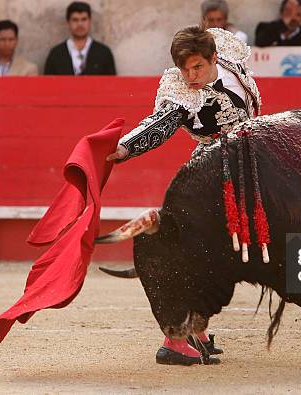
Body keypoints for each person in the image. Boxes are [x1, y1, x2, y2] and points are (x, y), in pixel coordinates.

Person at [106, 25, 261, 365]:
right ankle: (174, 341)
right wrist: (125, 147)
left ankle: (198, 329)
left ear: (214, 58)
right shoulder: (180, 92)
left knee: (216, 255)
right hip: (208, 176)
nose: (190, 76)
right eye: (184, 69)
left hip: (247, 166)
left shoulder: (226, 52)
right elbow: (160, 123)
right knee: (201, 254)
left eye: (197, 68)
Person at [44, 1, 116, 75]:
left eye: (84, 19)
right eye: (75, 20)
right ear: (68, 23)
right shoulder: (56, 54)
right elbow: (47, 85)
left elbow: (112, 84)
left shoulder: (104, 53)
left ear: (90, 21)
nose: (80, 24)